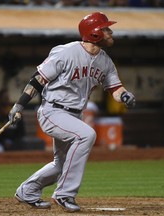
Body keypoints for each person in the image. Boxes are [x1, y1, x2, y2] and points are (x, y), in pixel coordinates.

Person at [8, 12, 136, 212]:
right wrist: (19, 105)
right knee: (86, 135)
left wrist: (125, 95)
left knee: (61, 165)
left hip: (75, 114)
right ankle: (64, 195)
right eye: (105, 28)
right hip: (53, 111)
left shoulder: (106, 61)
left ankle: (27, 191)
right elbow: (38, 79)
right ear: (94, 33)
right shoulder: (66, 52)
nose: (110, 32)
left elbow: (114, 89)